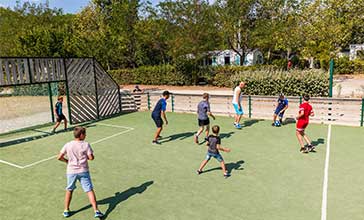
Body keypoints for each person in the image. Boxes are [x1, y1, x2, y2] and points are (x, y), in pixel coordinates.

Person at [57, 127, 104, 218]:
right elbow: (91, 158)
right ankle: (96, 210)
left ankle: (66, 210)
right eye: (85, 134)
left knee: (69, 189)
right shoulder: (86, 144)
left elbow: (59, 157)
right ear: (81, 135)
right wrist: (85, 157)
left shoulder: (68, 144)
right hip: (83, 171)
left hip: (71, 171)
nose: (86, 135)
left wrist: (67, 161)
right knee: (89, 190)